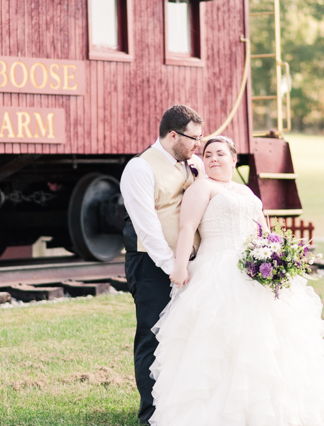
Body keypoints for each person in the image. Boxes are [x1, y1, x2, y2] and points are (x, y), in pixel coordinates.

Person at [149, 136, 324, 426]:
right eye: (208, 154)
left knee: (270, 341)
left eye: (220, 154)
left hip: (253, 268)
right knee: (222, 342)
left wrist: (274, 256)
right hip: (217, 269)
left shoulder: (245, 190)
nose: (212, 159)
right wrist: (181, 267)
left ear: (233, 159)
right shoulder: (202, 188)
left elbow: (262, 229)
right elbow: (187, 228)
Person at [120, 104, 205, 425]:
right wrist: (172, 266)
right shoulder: (139, 169)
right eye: (194, 138)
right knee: (152, 337)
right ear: (173, 135)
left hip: (187, 265)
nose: (199, 144)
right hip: (151, 265)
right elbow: (147, 228)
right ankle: (151, 415)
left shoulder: (192, 162)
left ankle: (179, 409)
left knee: (186, 337)